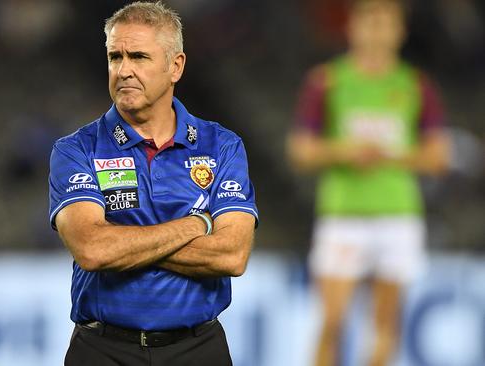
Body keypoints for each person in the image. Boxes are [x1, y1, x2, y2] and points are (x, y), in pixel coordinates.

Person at [47, 2, 258, 365]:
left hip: (198, 348)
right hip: (102, 349)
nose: (124, 70)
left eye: (139, 57)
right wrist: (198, 224)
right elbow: (94, 250)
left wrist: (126, 244)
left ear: (175, 66)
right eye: (116, 57)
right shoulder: (76, 149)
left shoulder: (222, 146)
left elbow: (232, 254)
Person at [287, 1, 450, 365]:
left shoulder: (414, 85)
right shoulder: (328, 81)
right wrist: (345, 151)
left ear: (399, 31)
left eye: (384, 23)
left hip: (397, 215)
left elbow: (439, 155)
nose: (376, 31)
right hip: (344, 214)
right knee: (331, 322)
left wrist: (391, 156)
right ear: (352, 28)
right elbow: (300, 150)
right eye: (369, 22)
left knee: (385, 326)